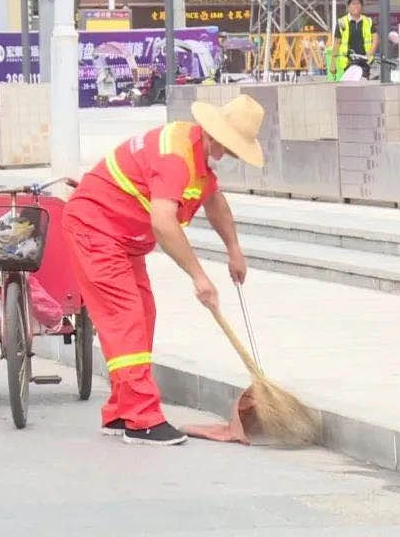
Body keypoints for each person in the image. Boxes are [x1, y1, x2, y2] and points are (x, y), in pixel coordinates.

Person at [62, 94, 266, 446]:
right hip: (96, 230)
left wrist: (234, 250)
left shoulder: (195, 151)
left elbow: (214, 202)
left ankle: (121, 412)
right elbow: (163, 223)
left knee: (142, 315)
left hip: (122, 238)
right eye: (230, 148)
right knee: (125, 319)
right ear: (214, 136)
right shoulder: (175, 157)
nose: (229, 156)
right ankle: (142, 420)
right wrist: (199, 276)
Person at [331, 0, 379, 79]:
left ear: (362, 6)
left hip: (365, 61)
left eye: (358, 3)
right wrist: (333, 63)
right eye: (353, 3)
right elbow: (336, 43)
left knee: (363, 85)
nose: (356, 6)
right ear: (348, 7)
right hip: (348, 62)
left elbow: (375, 38)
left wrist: (371, 51)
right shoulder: (342, 22)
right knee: (350, 87)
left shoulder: (368, 21)